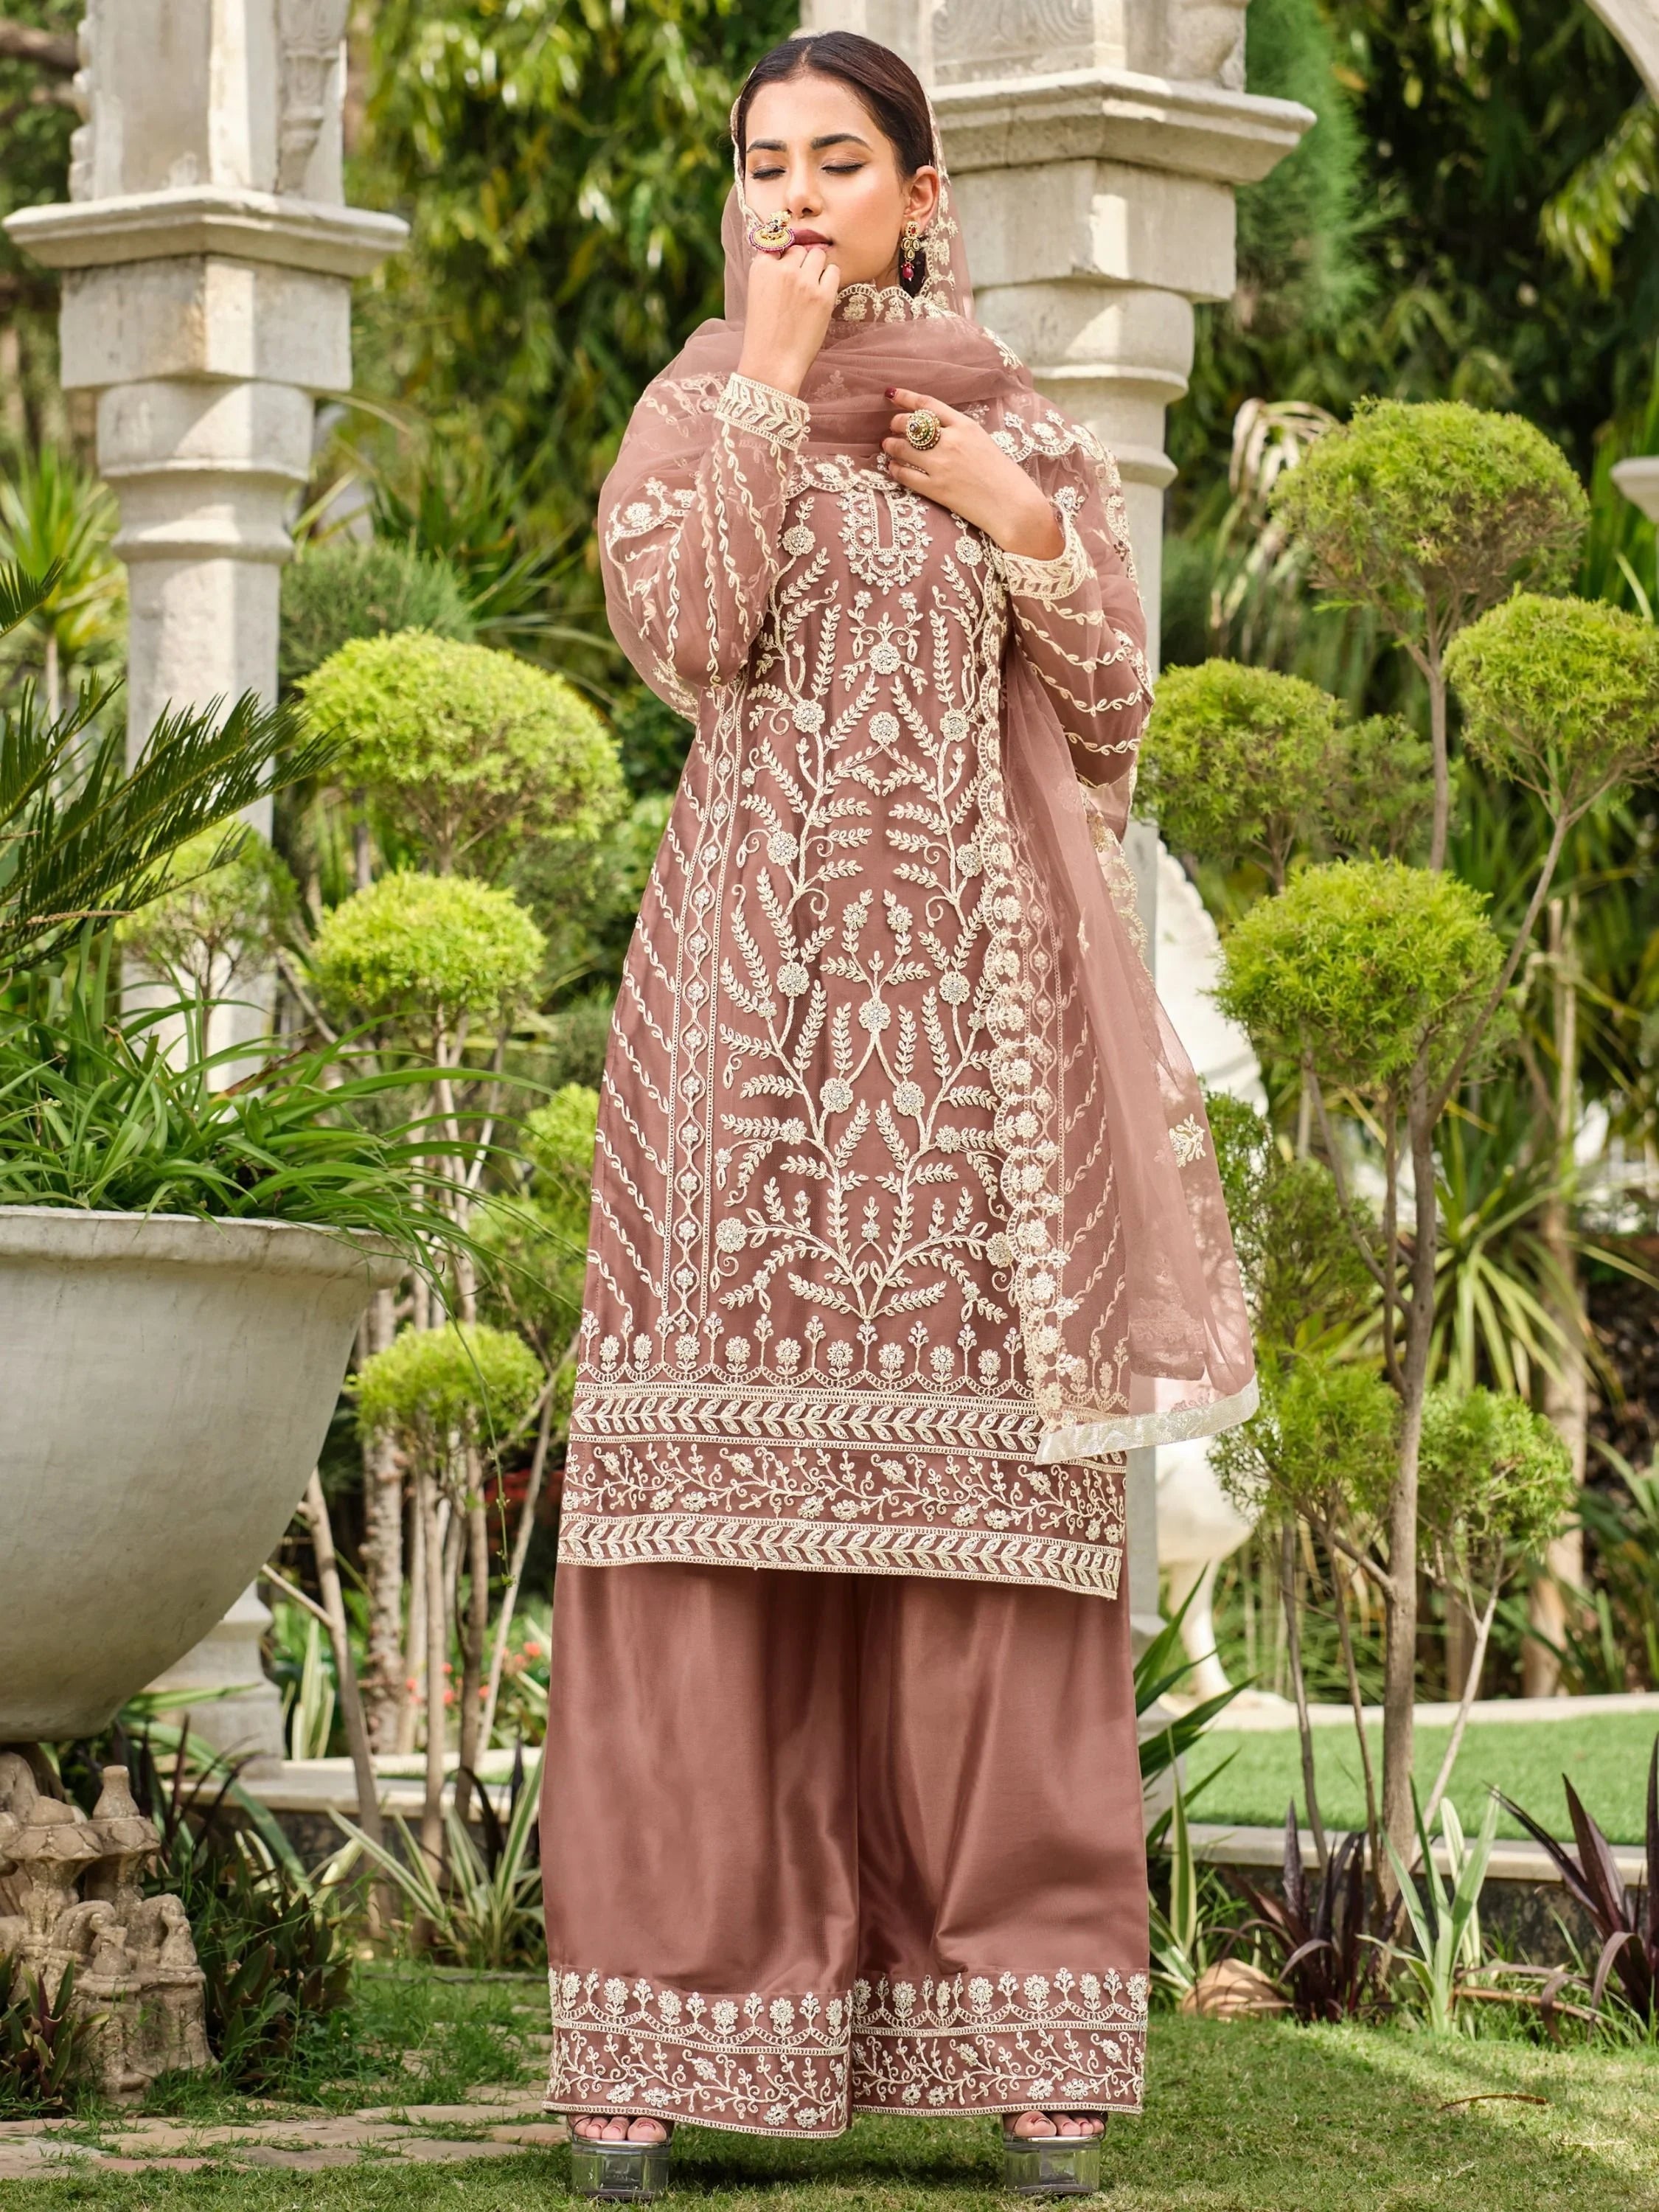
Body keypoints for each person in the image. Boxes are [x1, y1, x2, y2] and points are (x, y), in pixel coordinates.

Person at [540, 28, 1255, 2180]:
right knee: (705, 1525)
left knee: (982, 1535)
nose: (794, 198)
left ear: (923, 191)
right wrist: (764, 377)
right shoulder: (692, 405)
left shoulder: (1008, 417)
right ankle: (663, 2036)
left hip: (970, 1056)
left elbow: (1113, 711)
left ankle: (1019, 2021)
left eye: (837, 164)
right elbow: (676, 628)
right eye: (763, 165)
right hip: (738, 1038)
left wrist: (1016, 516)